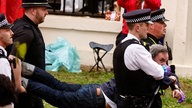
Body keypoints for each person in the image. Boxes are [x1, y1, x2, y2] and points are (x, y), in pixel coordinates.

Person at [12, 44, 184, 108]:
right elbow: (164, 75)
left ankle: (26, 69)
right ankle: (22, 81)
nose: (164, 65)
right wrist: (171, 80)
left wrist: (175, 87)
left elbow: (169, 74)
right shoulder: (146, 71)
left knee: (59, 86)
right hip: (98, 99)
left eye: (166, 62)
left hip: (97, 92)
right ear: (151, 60)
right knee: (58, 96)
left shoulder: (151, 69)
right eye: (161, 61)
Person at [113, 9, 165, 108]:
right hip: (135, 103)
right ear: (137, 27)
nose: (149, 27)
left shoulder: (122, 44)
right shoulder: (137, 49)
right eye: (146, 25)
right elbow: (158, 73)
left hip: (122, 101)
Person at [7, 0, 51, 108]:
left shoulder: (27, 26)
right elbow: (15, 59)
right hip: (26, 90)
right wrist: (19, 86)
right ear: (33, 10)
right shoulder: (26, 32)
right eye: (44, 9)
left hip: (32, 87)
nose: (47, 12)